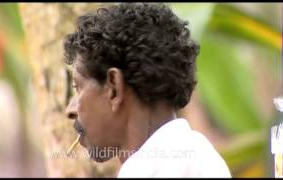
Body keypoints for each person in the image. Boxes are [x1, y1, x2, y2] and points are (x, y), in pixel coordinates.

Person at [63, 3, 231, 177]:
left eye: (78, 86)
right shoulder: (190, 157)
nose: (70, 110)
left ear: (113, 88)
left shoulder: (168, 168)